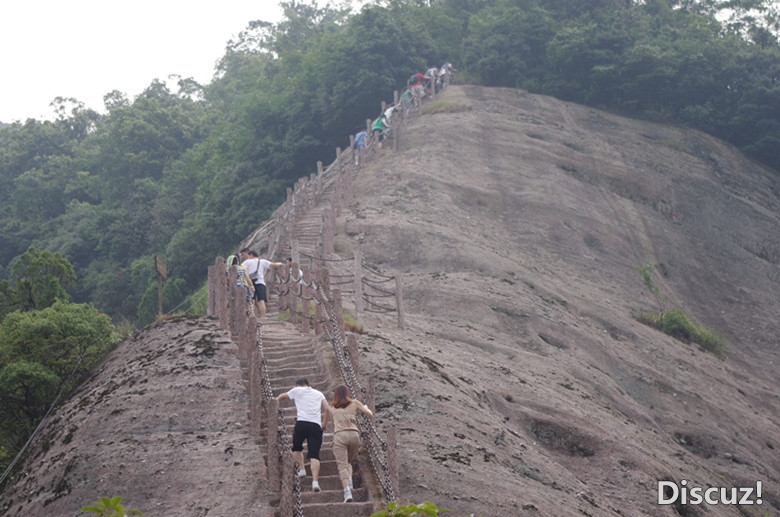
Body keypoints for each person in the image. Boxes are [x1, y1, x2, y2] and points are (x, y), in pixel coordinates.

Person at [277, 378, 330, 492]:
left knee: (297, 447)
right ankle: (315, 482)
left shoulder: (297, 390)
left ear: (298, 385)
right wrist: (324, 425)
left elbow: (282, 396)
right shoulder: (319, 394)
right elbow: (327, 410)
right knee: (314, 455)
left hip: (301, 423)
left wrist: (273, 402)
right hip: (315, 426)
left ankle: (302, 469)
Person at [326, 385, 373, 503]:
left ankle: (347, 492)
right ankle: (350, 483)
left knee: (342, 465)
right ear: (348, 393)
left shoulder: (331, 407)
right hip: (354, 436)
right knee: (347, 462)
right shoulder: (355, 403)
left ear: (335, 394)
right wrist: (365, 407)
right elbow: (370, 414)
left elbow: (333, 423)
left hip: (340, 436)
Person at [239, 248, 284, 319]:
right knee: (261, 300)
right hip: (260, 282)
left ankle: (251, 316)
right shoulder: (262, 261)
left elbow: (240, 270)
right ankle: (262, 317)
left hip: (250, 283)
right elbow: (274, 264)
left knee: (251, 300)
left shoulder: (246, 262)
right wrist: (282, 264)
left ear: (250, 255)